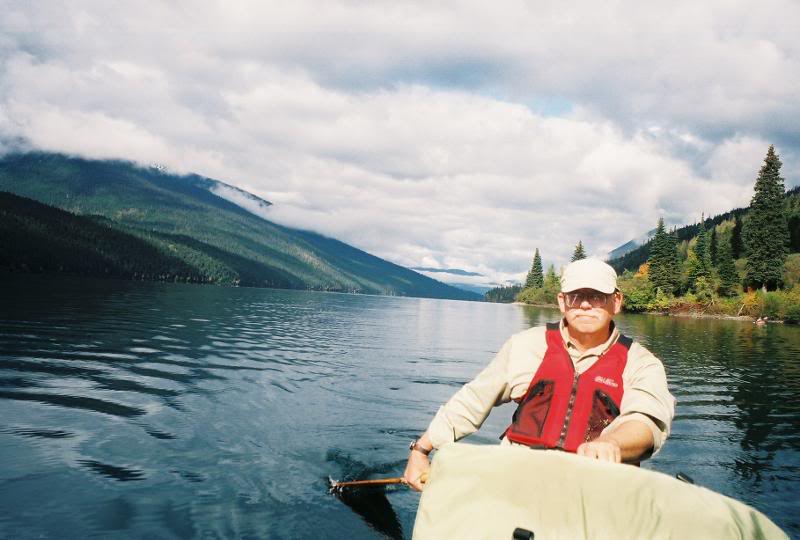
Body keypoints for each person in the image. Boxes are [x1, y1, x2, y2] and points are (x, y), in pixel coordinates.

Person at [403, 257, 676, 491]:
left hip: (594, 490)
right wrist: (421, 450)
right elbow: (472, 400)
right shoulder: (525, 346)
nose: (585, 304)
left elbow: (646, 422)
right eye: (576, 296)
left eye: (596, 296)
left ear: (616, 302)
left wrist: (612, 443)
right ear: (562, 301)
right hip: (517, 481)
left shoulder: (642, 363)